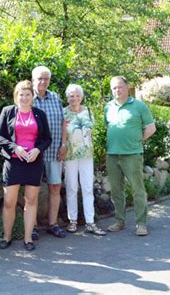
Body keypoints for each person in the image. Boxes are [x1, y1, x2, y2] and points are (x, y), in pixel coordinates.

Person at [0, 80, 52, 251]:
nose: (24, 97)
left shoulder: (39, 114)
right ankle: (7, 237)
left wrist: (37, 150)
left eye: (28, 94)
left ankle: (28, 239)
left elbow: (47, 138)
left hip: (33, 162)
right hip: (13, 162)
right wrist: (15, 147)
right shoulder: (8, 112)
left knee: (31, 201)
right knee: (9, 202)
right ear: (16, 96)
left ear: (32, 97)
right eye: (21, 94)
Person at [104, 76, 156, 236]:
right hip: (112, 154)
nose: (117, 90)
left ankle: (141, 224)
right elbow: (109, 127)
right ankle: (120, 221)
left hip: (132, 154)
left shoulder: (139, 106)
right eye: (114, 88)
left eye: (120, 87)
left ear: (127, 87)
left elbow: (151, 128)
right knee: (116, 190)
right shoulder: (108, 107)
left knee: (137, 190)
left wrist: (137, 140)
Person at [61, 84, 106, 236]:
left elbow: (91, 132)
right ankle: (72, 221)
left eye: (77, 95)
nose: (74, 98)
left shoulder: (88, 111)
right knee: (72, 187)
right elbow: (62, 134)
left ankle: (90, 222)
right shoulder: (64, 112)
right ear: (67, 97)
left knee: (87, 188)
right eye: (71, 96)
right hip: (70, 154)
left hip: (86, 155)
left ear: (81, 96)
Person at [31, 66, 67, 239]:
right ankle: (33, 226)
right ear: (33, 80)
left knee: (55, 187)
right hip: (35, 153)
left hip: (54, 151)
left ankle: (53, 224)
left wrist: (64, 144)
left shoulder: (55, 98)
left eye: (46, 78)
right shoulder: (27, 98)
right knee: (33, 190)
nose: (43, 81)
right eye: (39, 78)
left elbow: (63, 123)